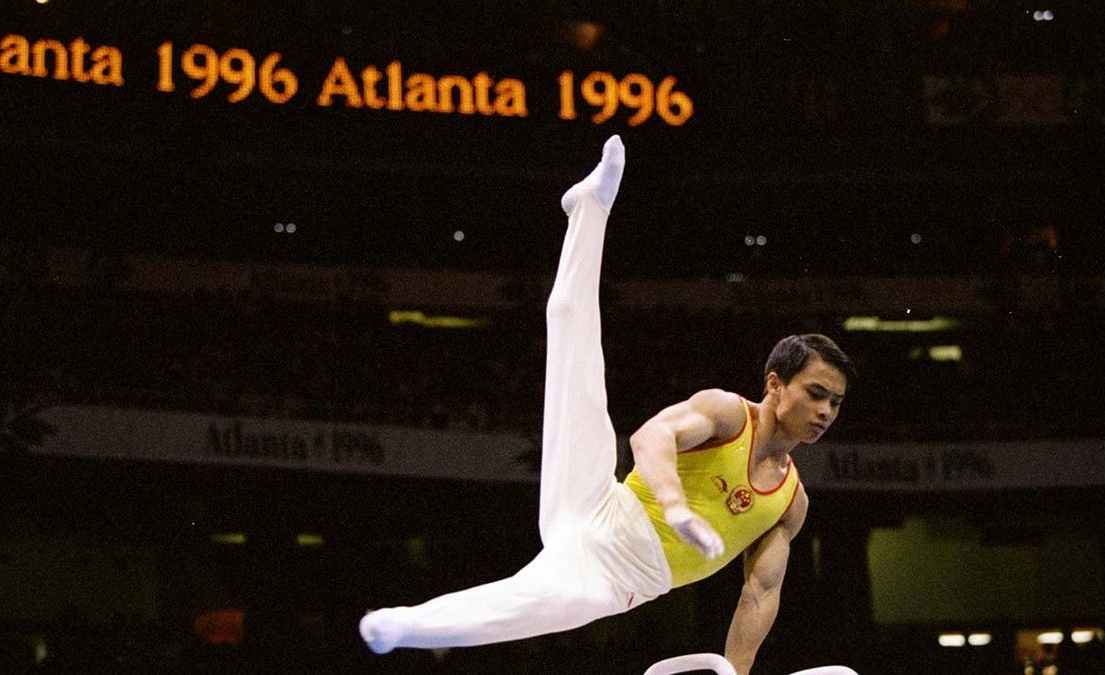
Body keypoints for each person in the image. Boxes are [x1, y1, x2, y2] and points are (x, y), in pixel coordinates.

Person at [359, 136, 855, 675]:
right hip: (602, 502)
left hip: (612, 578)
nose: (826, 411)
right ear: (775, 384)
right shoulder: (728, 414)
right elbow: (649, 438)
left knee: (516, 608)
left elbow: (760, 594)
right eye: (816, 393)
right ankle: (589, 206)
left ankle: (404, 625)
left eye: (835, 402)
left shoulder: (789, 504)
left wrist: (735, 671)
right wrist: (676, 506)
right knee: (578, 351)